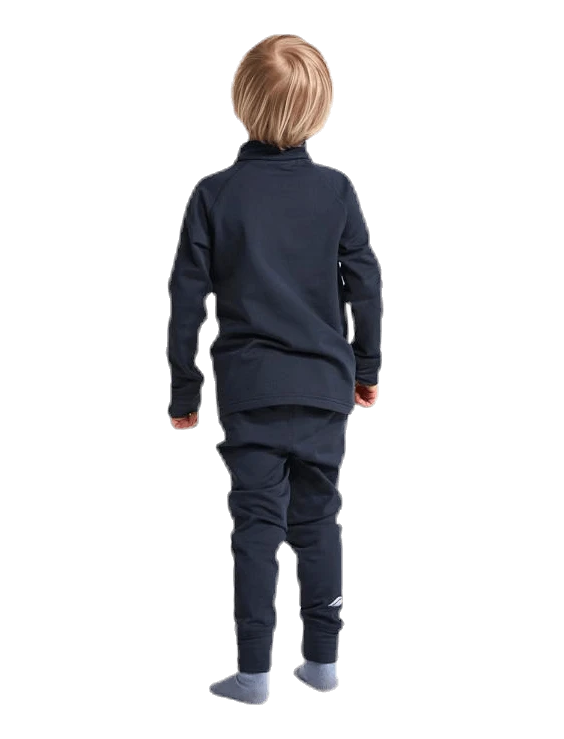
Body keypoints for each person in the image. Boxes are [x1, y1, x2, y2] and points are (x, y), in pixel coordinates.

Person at [166, 33, 383, 703]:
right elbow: (365, 287)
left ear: (242, 103)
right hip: (322, 388)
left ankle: (255, 674)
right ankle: (320, 666)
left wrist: (183, 392)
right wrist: (369, 367)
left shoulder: (214, 195)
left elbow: (185, 303)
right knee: (319, 523)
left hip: (249, 391)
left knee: (258, 529)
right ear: (319, 109)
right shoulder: (335, 192)